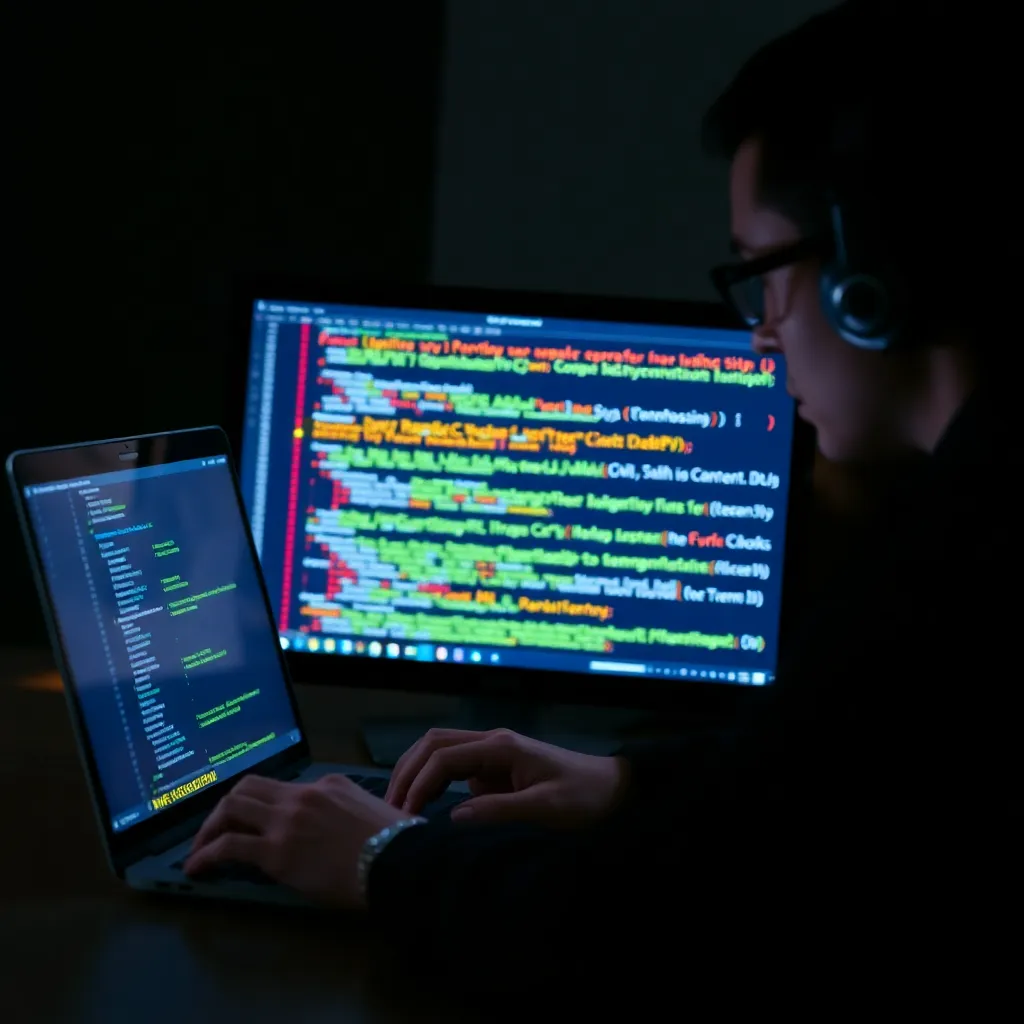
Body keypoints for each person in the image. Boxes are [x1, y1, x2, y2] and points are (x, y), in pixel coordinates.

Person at [185, 2, 1017, 998]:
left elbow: (666, 935)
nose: (761, 335)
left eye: (763, 273)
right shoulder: (963, 509)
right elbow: (828, 798)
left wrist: (383, 861)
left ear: (868, 279)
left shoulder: (961, 562)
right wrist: (623, 785)